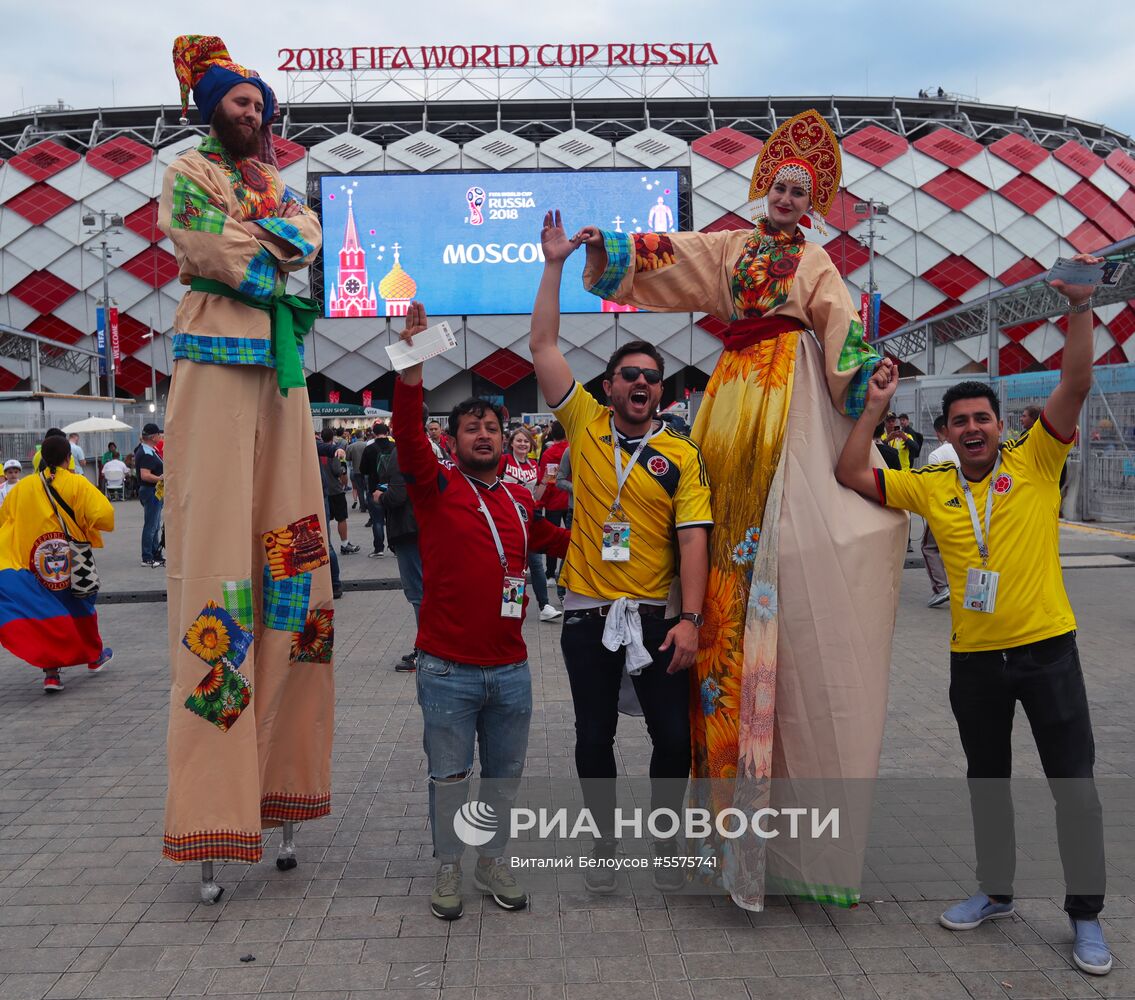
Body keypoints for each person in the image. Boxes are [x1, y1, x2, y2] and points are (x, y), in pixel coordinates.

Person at [565, 107, 905, 910]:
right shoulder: (731, 248)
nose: (787, 198)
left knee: (781, 546)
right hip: (731, 400)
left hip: (783, 392)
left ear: (813, 200)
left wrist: (865, 392)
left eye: (800, 190)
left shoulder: (813, 261)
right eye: (779, 185)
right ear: (763, 189)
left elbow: (841, 333)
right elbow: (672, 256)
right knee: (710, 533)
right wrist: (609, 250)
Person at [834, 254, 1112, 976]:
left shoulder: (1039, 458)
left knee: (1072, 788)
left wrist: (1078, 306)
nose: (971, 430)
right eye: (958, 422)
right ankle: (995, 891)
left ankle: (1084, 916)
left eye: (980, 418)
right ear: (947, 432)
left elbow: (1076, 382)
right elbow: (848, 473)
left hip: (1048, 651)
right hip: (973, 662)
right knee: (985, 779)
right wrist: (870, 408)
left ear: (998, 423)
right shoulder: (932, 487)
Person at [158, 35, 333, 885]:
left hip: (284, 380)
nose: (253, 112)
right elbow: (201, 249)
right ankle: (212, 816)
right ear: (211, 110)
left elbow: (313, 262)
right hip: (215, 372)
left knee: (297, 577)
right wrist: (275, 248)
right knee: (218, 577)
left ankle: (284, 793)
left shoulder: (285, 190)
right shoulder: (187, 173)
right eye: (238, 101)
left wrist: (263, 243)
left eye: (259, 102)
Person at [529, 218, 713, 893]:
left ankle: (665, 845)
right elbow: (543, 343)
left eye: (652, 378)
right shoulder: (582, 424)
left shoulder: (680, 455)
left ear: (660, 394)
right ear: (607, 387)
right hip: (587, 613)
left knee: (672, 740)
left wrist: (688, 620)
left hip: (658, 617)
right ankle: (603, 845)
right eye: (628, 374)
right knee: (592, 736)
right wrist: (553, 265)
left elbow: (694, 538)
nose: (641, 383)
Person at [393, 302, 570, 921]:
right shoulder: (436, 487)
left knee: (501, 780)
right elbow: (408, 438)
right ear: (455, 440)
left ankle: (492, 860)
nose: (483, 434)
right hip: (447, 670)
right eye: (471, 427)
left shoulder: (521, 499)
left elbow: (555, 542)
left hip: (512, 671)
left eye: (491, 426)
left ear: (504, 435)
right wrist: (412, 366)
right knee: (449, 778)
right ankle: (449, 866)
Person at [0, 434, 114, 693]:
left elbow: (6, 520)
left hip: (35, 564)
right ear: (68, 458)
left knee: (46, 610)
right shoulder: (77, 483)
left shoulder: (23, 488)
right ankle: (93, 656)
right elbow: (105, 515)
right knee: (81, 603)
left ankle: (52, 674)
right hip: (71, 560)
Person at [499, 427, 561, 622]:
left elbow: (536, 496)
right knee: (511, 565)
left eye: (526, 441)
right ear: (511, 443)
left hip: (529, 519)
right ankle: (511, 605)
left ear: (531, 444)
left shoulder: (534, 465)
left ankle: (545, 606)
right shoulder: (504, 461)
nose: (523, 444)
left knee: (535, 563)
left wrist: (546, 483)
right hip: (505, 519)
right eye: (519, 441)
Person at [921, 414, 958, 608]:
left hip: (945, 508)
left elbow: (935, 487)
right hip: (969, 507)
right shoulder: (967, 449)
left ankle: (941, 587)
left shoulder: (937, 455)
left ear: (940, 431)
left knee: (929, 547)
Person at [537, 421, 570, 581]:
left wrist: (539, 503)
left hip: (554, 503)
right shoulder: (573, 450)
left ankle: (550, 574)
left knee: (552, 539)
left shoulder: (549, 454)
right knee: (571, 539)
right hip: (571, 501)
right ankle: (567, 573)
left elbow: (548, 482)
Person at [318, 428, 359, 555]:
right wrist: (344, 483)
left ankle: (326, 543)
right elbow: (339, 471)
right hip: (335, 489)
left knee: (325, 520)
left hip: (323, 490)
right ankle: (344, 544)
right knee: (341, 518)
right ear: (333, 437)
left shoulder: (318, 451)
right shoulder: (334, 451)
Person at [359, 422, 394, 558]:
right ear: (387, 432)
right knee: (392, 519)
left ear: (373, 433)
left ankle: (379, 549)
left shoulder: (370, 448)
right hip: (392, 487)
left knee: (377, 520)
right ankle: (394, 547)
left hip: (375, 488)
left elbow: (363, 470)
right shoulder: (394, 447)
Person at [134, 423, 165, 568]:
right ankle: (147, 556)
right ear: (153, 437)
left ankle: (155, 553)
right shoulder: (146, 453)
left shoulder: (148, 450)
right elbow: (145, 475)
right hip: (151, 490)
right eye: (159, 434)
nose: (160, 436)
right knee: (151, 525)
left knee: (155, 524)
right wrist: (160, 478)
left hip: (153, 491)